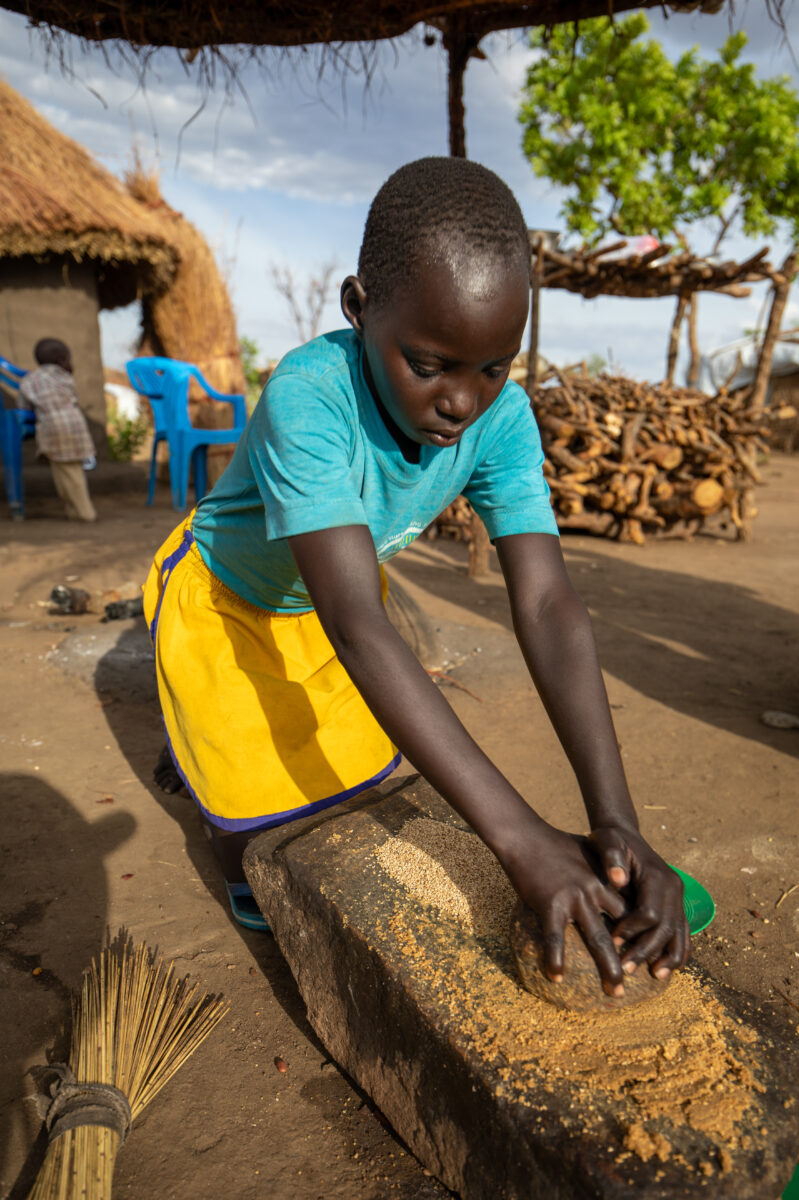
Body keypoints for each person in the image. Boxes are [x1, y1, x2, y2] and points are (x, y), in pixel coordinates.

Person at [144, 157, 689, 995]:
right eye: (430, 364)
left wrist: (616, 823)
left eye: (492, 368)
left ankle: (204, 754)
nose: (462, 403)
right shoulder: (309, 400)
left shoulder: (500, 421)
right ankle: (208, 784)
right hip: (231, 598)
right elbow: (360, 627)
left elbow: (546, 605)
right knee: (250, 823)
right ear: (358, 309)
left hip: (328, 604)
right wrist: (518, 837)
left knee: (355, 774)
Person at [18, 338, 97, 522]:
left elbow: (24, 406)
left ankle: (84, 513)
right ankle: (78, 511)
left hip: (52, 428)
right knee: (74, 472)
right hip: (76, 426)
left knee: (62, 473)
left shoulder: (30, 380)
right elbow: (73, 397)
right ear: (62, 358)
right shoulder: (64, 376)